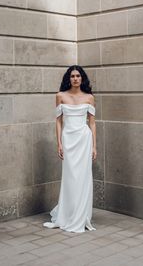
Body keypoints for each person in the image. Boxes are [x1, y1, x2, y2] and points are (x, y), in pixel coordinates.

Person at [43, 65, 97, 233]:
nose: (75, 78)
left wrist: (94, 146)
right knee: (70, 177)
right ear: (69, 78)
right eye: (72, 76)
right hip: (68, 140)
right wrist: (59, 143)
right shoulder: (60, 96)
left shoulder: (89, 97)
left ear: (82, 79)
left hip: (84, 139)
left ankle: (82, 215)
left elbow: (92, 123)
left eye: (78, 76)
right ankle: (68, 213)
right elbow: (58, 121)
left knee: (83, 177)